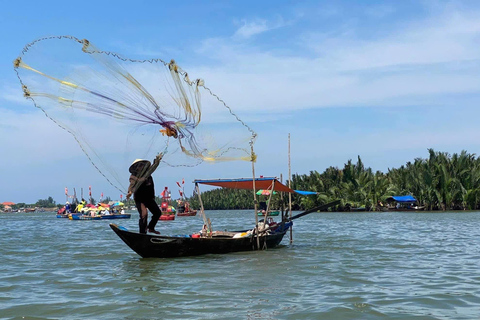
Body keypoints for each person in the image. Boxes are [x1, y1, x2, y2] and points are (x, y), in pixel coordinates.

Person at [127, 153, 163, 234]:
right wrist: (129, 192)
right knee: (144, 215)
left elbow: (154, 166)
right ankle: (142, 233)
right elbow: (132, 185)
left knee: (157, 213)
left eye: (142, 165)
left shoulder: (148, 173)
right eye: (139, 166)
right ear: (136, 168)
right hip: (140, 199)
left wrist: (157, 161)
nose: (141, 167)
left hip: (149, 198)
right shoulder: (133, 176)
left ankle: (151, 227)